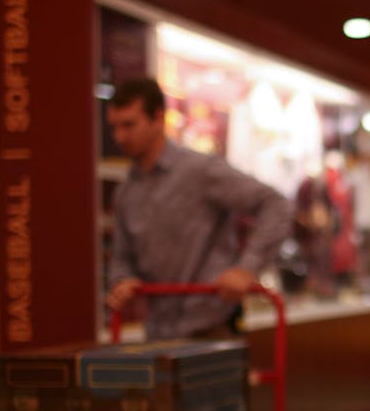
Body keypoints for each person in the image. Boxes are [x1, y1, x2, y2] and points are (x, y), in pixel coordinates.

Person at [105, 78, 293, 339]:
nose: (120, 137)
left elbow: (276, 205)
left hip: (212, 328)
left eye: (129, 125)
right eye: (114, 127)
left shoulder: (198, 170)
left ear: (158, 118)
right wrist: (123, 281)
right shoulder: (126, 191)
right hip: (158, 333)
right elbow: (122, 256)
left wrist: (246, 269)